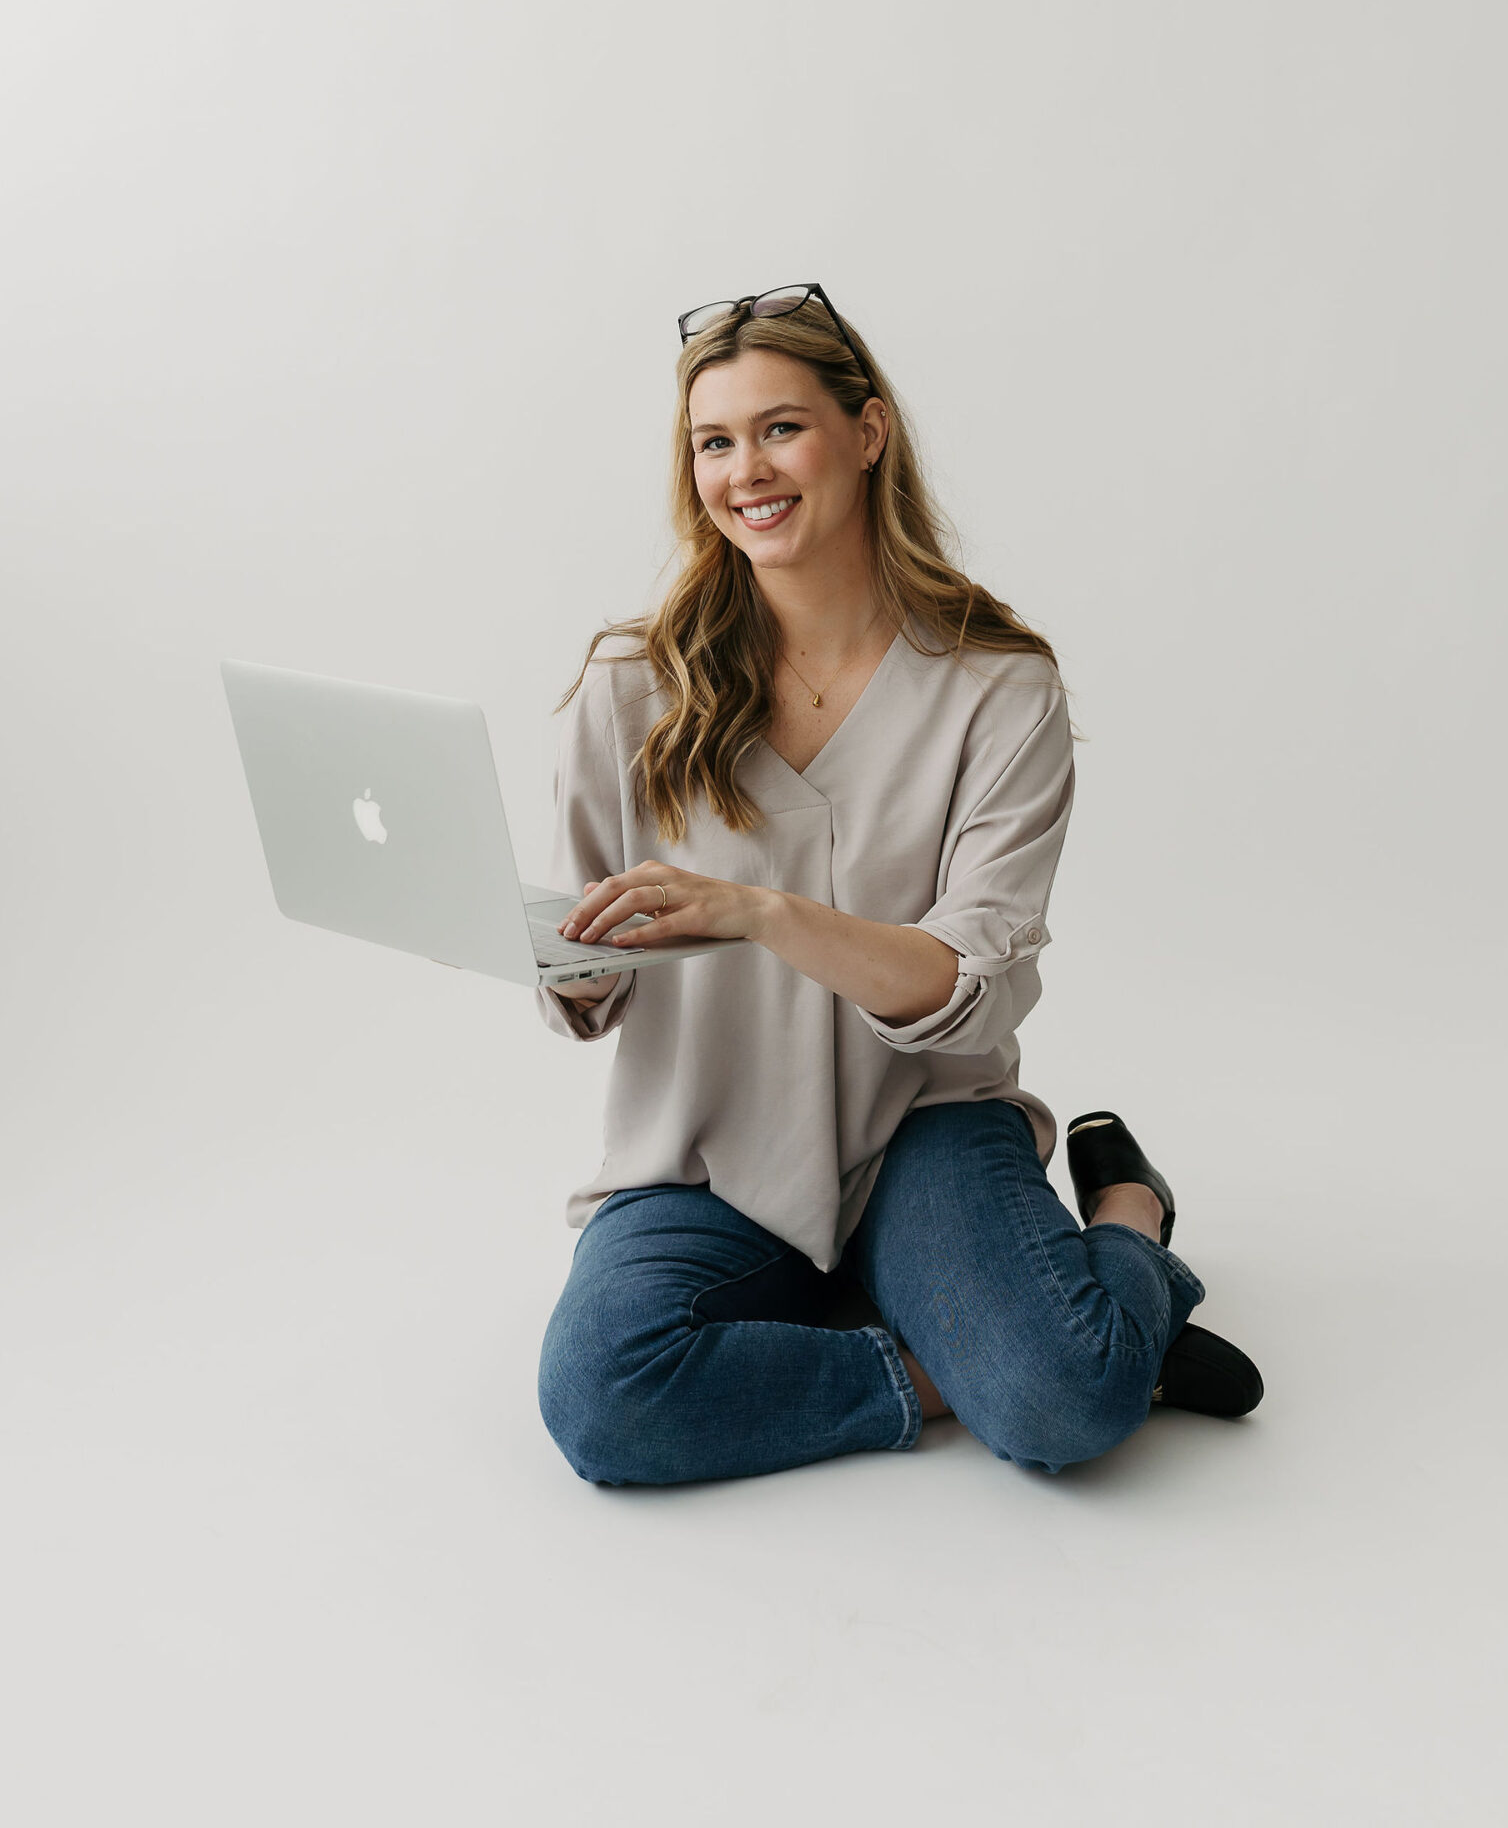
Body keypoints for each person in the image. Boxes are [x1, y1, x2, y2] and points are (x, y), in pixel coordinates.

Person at [535, 284, 1261, 1486]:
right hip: (709, 1149)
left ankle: (1128, 1221)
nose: (745, 471)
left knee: (1062, 1405)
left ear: (867, 431)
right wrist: (556, 957)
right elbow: (588, 980)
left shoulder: (997, 687)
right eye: (713, 442)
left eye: (780, 427)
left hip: (916, 1131)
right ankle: (954, 1359)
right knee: (604, 1397)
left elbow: (971, 982)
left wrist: (760, 911)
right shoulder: (630, 683)